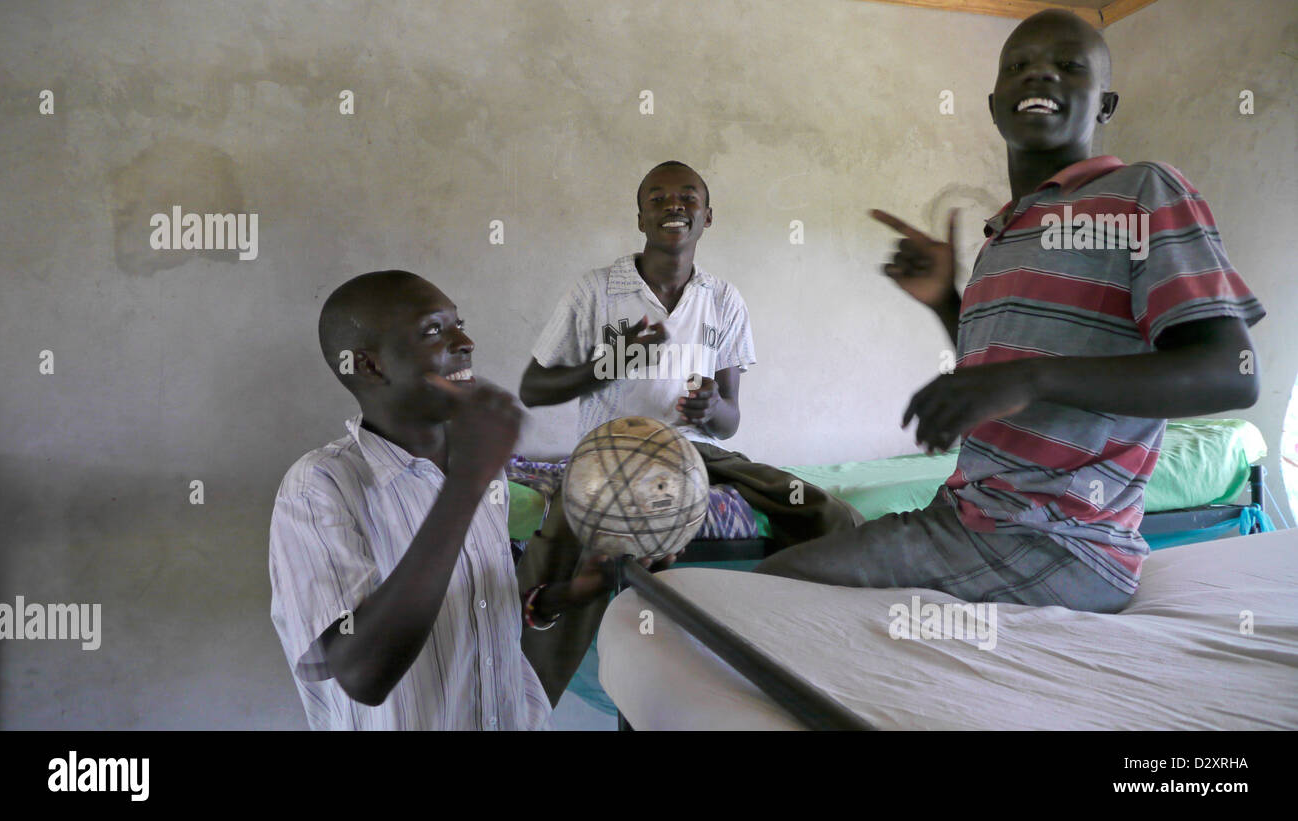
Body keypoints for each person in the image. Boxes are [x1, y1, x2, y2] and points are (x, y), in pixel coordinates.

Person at [755, 9, 1265, 613]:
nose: (1039, 75)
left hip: (1059, 540)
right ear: (994, 105)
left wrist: (1030, 379)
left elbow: (1231, 371)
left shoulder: (1143, 192)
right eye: (1019, 66)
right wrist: (948, 300)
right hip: (971, 518)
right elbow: (998, 380)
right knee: (775, 578)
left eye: (1068, 67)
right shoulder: (1005, 234)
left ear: (1106, 104)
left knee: (763, 595)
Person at [516, 161, 863, 703]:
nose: (673, 206)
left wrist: (708, 409)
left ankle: (796, 650)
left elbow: (731, 417)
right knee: (568, 529)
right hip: (608, 454)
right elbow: (534, 388)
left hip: (692, 453)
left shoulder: (724, 300)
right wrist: (609, 364)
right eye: (657, 198)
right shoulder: (595, 291)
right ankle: (530, 674)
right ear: (640, 217)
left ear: (707, 216)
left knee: (827, 514)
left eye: (687, 197)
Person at [268, 270, 616, 729]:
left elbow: (473, 604)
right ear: (370, 366)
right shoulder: (321, 486)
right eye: (434, 329)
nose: (466, 340)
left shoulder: (475, 470)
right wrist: (467, 481)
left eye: (459, 323)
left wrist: (562, 597)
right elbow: (361, 673)